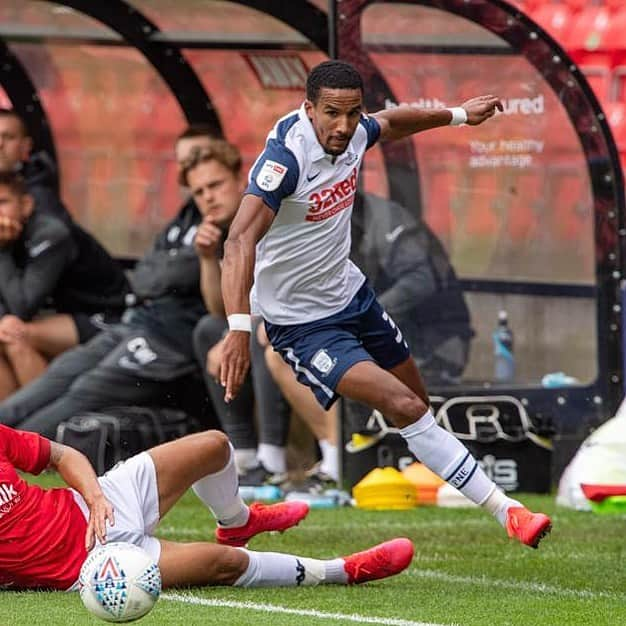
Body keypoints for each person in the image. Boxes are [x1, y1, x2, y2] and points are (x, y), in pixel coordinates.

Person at [219, 60, 552, 548]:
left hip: (353, 295)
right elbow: (238, 241)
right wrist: (238, 330)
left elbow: (392, 123)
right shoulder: (285, 160)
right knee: (404, 403)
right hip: (302, 325)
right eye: (331, 113)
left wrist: (459, 115)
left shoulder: (354, 132)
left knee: (416, 402)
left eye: (352, 113)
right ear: (308, 108)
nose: (343, 126)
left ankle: (422, 461)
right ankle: (509, 512)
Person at [0, 130, 225, 439]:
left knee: (83, 389)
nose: (205, 193)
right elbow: (145, 275)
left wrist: (175, 268)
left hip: (162, 338)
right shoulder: (187, 215)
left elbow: (23, 303)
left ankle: (15, 449)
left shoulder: (234, 223)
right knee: (61, 374)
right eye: (197, 185)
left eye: (214, 183)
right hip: (135, 325)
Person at [0, 424, 413, 590]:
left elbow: (60, 455)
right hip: (96, 565)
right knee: (227, 563)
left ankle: (237, 521)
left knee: (214, 445)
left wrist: (93, 496)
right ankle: (343, 572)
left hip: (98, 503)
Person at [0, 171, 130, 400]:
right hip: (62, 316)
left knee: (12, 333)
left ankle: (37, 422)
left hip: (109, 317)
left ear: (27, 204)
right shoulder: (9, 237)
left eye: (2, 202)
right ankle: (7, 428)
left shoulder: (51, 232)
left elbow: (22, 307)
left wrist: (1, 250)